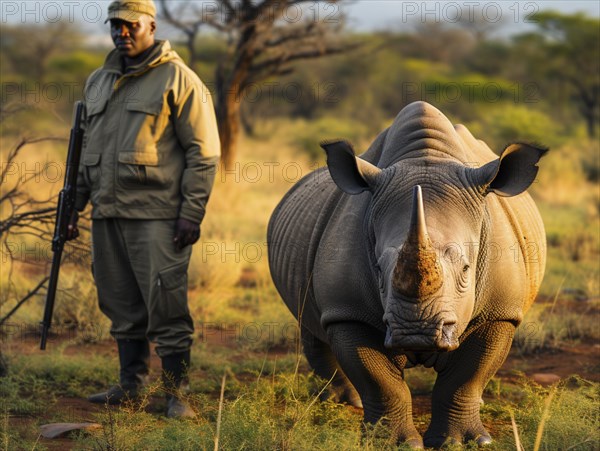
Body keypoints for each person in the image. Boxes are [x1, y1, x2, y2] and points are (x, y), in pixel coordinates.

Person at [68, 0, 220, 418]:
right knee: (118, 303)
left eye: (131, 25)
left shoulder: (178, 79)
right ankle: (130, 386)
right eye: (116, 25)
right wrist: (73, 207)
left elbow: (203, 154)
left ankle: (177, 395)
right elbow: (85, 154)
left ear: (151, 25)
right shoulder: (98, 81)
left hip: (158, 215)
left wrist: (192, 212)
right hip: (107, 214)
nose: (123, 32)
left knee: (166, 305)